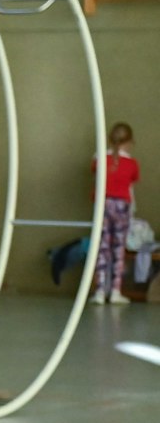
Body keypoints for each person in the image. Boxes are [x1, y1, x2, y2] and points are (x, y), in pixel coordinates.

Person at [93, 121, 139, 305]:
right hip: (121, 206)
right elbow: (131, 184)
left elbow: (95, 173)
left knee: (102, 248)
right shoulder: (132, 164)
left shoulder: (99, 160)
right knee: (118, 249)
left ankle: (99, 290)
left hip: (103, 205)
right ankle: (115, 291)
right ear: (129, 142)